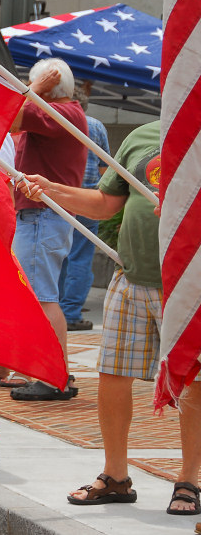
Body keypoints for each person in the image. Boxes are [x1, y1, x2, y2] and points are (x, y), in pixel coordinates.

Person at [24, 120, 201, 516]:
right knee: (113, 374)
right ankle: (116, 477)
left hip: (190, 284)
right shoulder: (142, 135)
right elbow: (105, 203)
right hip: (131, 277)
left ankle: (189, 480)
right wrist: (51, 189)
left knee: (194, 381)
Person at [8, 58, 87, 402]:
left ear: (49, 87)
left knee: (42, 298)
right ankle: (49, 370)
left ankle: (54, 376)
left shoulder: (60, 113)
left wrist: (34, 89)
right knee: (38, 295)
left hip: (41, 216)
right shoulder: (63, 113)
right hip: (41, 216)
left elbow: (10, 116)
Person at [58, 85, 109, 331]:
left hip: (60, 198)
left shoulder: (55, 120)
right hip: (89, 200)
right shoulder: (96, 126)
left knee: (58, 256)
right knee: (81, 258)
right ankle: (71, 313)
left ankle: (54, 310)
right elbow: (105, 169)